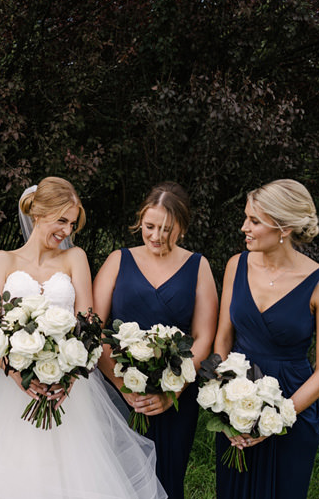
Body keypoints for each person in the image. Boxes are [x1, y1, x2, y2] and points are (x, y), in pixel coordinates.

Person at [0, 176, 167, 499]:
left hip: (67, 391)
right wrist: (17, 374)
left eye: (72, 224)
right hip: (5, 386)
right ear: (37, 213)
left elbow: (87, 323)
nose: (66, 230)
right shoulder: (3, 260)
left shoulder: (74, 258)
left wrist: (67, 379)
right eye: (61, 220)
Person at [213, 179, 319, 499]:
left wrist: (274, 418)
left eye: (254, 221)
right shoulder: (235, 265)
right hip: (238, 400)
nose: (244, 227)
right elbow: (222, 341)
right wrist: (227, 398)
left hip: (292, 406)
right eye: (246, 218)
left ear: (283, 227)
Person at [93, 182, 218, 499]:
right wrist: (124, 387)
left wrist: (172, 390)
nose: (156, 236)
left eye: (166, 229)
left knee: (168, 478)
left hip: (176, 397)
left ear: (182, 227)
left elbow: (205, 336)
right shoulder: (118, 260)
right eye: (149, 226)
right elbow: (94, 326)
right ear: (140, 221)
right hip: (117, 395)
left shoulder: (197, 266)